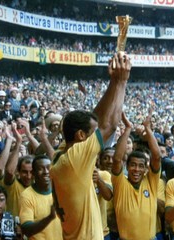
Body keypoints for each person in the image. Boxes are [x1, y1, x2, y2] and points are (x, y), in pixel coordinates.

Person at [50, 52, 131, 239]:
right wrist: (122, 81)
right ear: (81, 135)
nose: (96, 134)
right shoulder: (75, 158)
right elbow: (109, 125)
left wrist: (112, 82)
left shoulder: (62, 153)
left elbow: (95, 119)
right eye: (92, 133)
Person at [111, 113, 161, 240]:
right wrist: (128, 129)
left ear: (146, 169)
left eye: (140, 166)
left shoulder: (151, 182)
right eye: (133, 165)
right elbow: (117, 159)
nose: (136, 169)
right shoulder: (120, 183)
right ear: (127, 167)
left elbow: (157, 157)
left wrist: (148, 129)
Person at [19, 155, 62, 240]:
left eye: (48, 168)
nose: (46, 172)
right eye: (41, 169)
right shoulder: (26, 195)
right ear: (33, 173)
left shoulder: (60, 190)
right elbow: (27, 230)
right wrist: (49, 217)